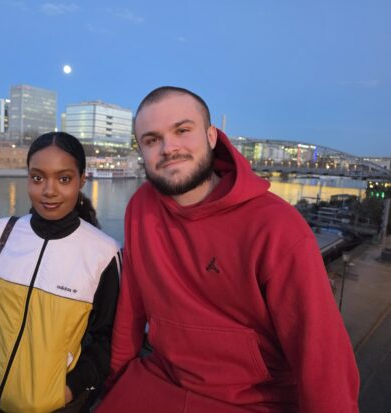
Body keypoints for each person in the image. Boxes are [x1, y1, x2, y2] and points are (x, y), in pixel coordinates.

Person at [97, 87, 359, 412]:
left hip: (254, 399)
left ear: (211, 136)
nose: (169, 148)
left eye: (182, 130)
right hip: (160, 380)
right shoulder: (141, 207)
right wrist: (118, 381)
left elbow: (321, 355)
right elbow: (131, 305)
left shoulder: (276, 227)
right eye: (152, 140)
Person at [0, 132, 122, 413]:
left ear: (82, 180)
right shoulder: (1, 232)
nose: (49, 191)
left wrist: (66, 390)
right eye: (38, 177)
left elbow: (108, 337)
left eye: (64, 179)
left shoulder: (104, 252)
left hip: (55, 407)